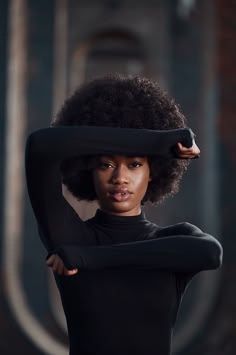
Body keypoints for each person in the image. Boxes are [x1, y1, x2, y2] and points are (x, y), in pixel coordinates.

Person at [25, 75, 222, 355]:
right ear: (88, 169)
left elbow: (210, 253)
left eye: (134, 164)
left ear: (152, 171)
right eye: (105, 164)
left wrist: (88, 257)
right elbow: (40, 146)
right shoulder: (69, 234)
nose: (120, 178)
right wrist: (160, 141)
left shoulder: (174, 241)